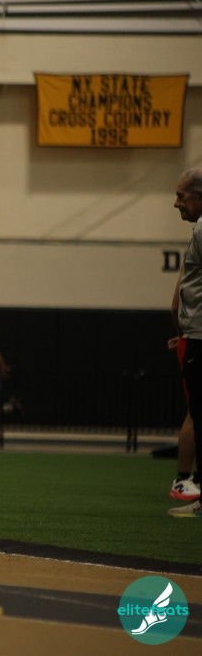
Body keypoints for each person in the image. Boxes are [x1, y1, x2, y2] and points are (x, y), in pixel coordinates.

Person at [170, 166, 202, 517]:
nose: (176, 203)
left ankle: (186, 482)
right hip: (194, 334)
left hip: (199, 338)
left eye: (181, 196)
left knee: (197, 415)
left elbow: (177, 297)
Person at [168, 273, 200, 502]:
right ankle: (183, 479)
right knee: (194, 411)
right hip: (194, 340)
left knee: (196, 411)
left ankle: (193, 479)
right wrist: (184, 336)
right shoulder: (193, 261)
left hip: (192, 338)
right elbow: (175, 304)